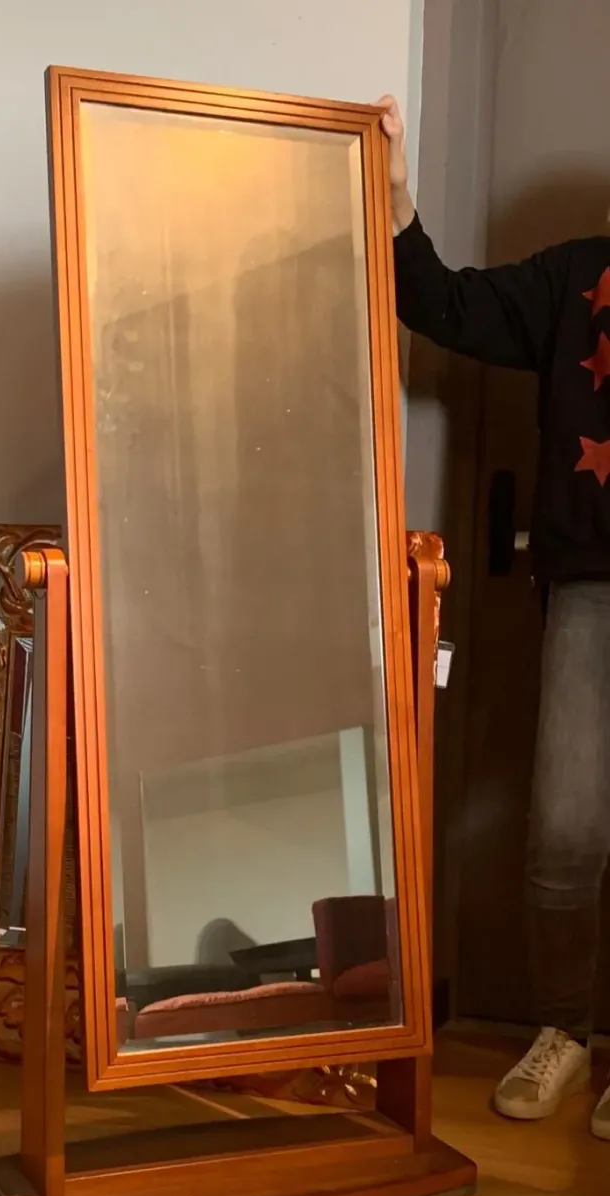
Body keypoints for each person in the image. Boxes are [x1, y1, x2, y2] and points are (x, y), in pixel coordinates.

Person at [379, 96, 610, 1137]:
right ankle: (565, 1029)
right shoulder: (576, 277)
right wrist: (393, 196)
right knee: (563, 831)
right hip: (588, 583)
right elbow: (442, 303)